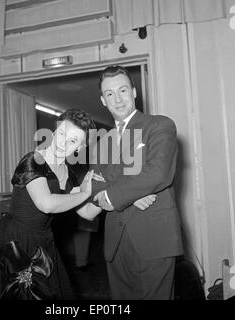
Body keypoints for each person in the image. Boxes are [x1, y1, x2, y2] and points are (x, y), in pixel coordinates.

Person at [0, 108, 155, 300]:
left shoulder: (69, 174)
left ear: (79, 149)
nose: (63, 143)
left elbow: (88, 212)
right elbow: (46, 204)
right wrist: (85, 192)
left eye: (73, 141)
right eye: (62, 134)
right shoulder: (33, 161)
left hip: (43, 244)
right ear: (55, 132)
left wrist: (126, 196)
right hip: (14, 242)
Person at [91, 65, 183, 300]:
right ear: (103, 100)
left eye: (123, 90)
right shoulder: (102, 143)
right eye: (110, 94)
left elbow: (158, 173)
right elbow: (95, 184)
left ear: (134, 92)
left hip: (154, 237)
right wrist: (133, 194)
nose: (118, 99)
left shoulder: (160, 126)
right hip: (115, 243)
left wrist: (115, 195)